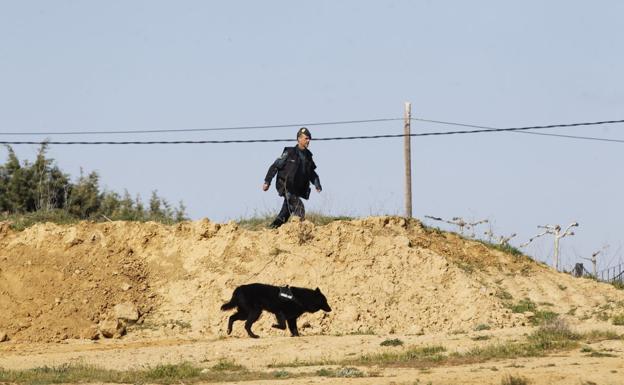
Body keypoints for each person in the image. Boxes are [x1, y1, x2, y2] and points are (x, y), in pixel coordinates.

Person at [263, 127, 322, 228]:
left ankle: (271, 229)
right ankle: (298, 232)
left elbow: (312, 173)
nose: (308, 141)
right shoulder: (289, 153)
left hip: (296, 189)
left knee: (284, 215)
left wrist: (317, 184)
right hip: (285, 186)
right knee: (299, 208)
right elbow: (275, 166)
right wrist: (267, 181)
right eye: (306, 138)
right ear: (299, 139)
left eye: (309, 139)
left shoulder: (308, 156)